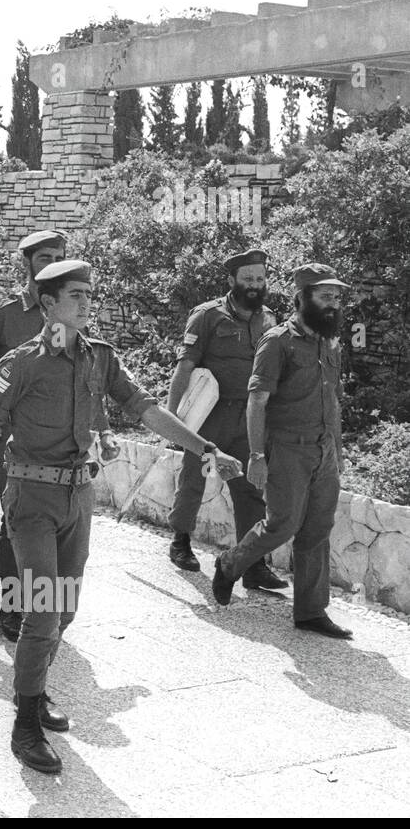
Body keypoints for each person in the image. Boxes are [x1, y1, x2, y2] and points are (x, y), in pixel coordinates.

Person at [0, 260, 241, 774]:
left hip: (78, 498)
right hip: (30, 498)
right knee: (41, 610)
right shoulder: (20, 363)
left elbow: (148, 409)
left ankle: (35, 688)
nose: (87, 303)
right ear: (47, 304)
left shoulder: (99, 359)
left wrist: (205, 448)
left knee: (63, 612)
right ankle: (24, 723)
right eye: (75, 295)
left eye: (90, 294)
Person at [0, 229, 116, 643]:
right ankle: (14, 603)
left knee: (50, 548)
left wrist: (102, 428)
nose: (50, 261)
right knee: (12, 525)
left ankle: (42, 620)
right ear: (28, 265)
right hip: (16, 437)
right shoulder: (6, 313)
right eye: (42, 257)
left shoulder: (74, 308)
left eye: (58, 254)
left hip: (63, 443)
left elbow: (85, 382)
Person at [212, 264, 353, 639]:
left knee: (318, 528)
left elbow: (333, 399)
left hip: (322, 449)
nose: (333, 304)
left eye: (336, 297)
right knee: (282, 524)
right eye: (325, 296)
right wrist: (257, 455)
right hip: (287, 448)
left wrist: (336, 449)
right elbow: (256, 400)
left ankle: (310, 611)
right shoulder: (277, 341)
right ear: (301, 298)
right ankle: (229, 564)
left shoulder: (328, 341)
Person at [166, 249, 285, 588]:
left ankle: (252, 563)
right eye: (248, 278)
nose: (255, 284)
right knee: (195, 477)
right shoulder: (206, 316)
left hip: (249, 416)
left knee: (250, 488)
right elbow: (184, 368)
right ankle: (181, 541)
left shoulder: (269, 320)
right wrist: (173, 419)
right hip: (210, 414)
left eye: (260, 278)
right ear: (232, 280)